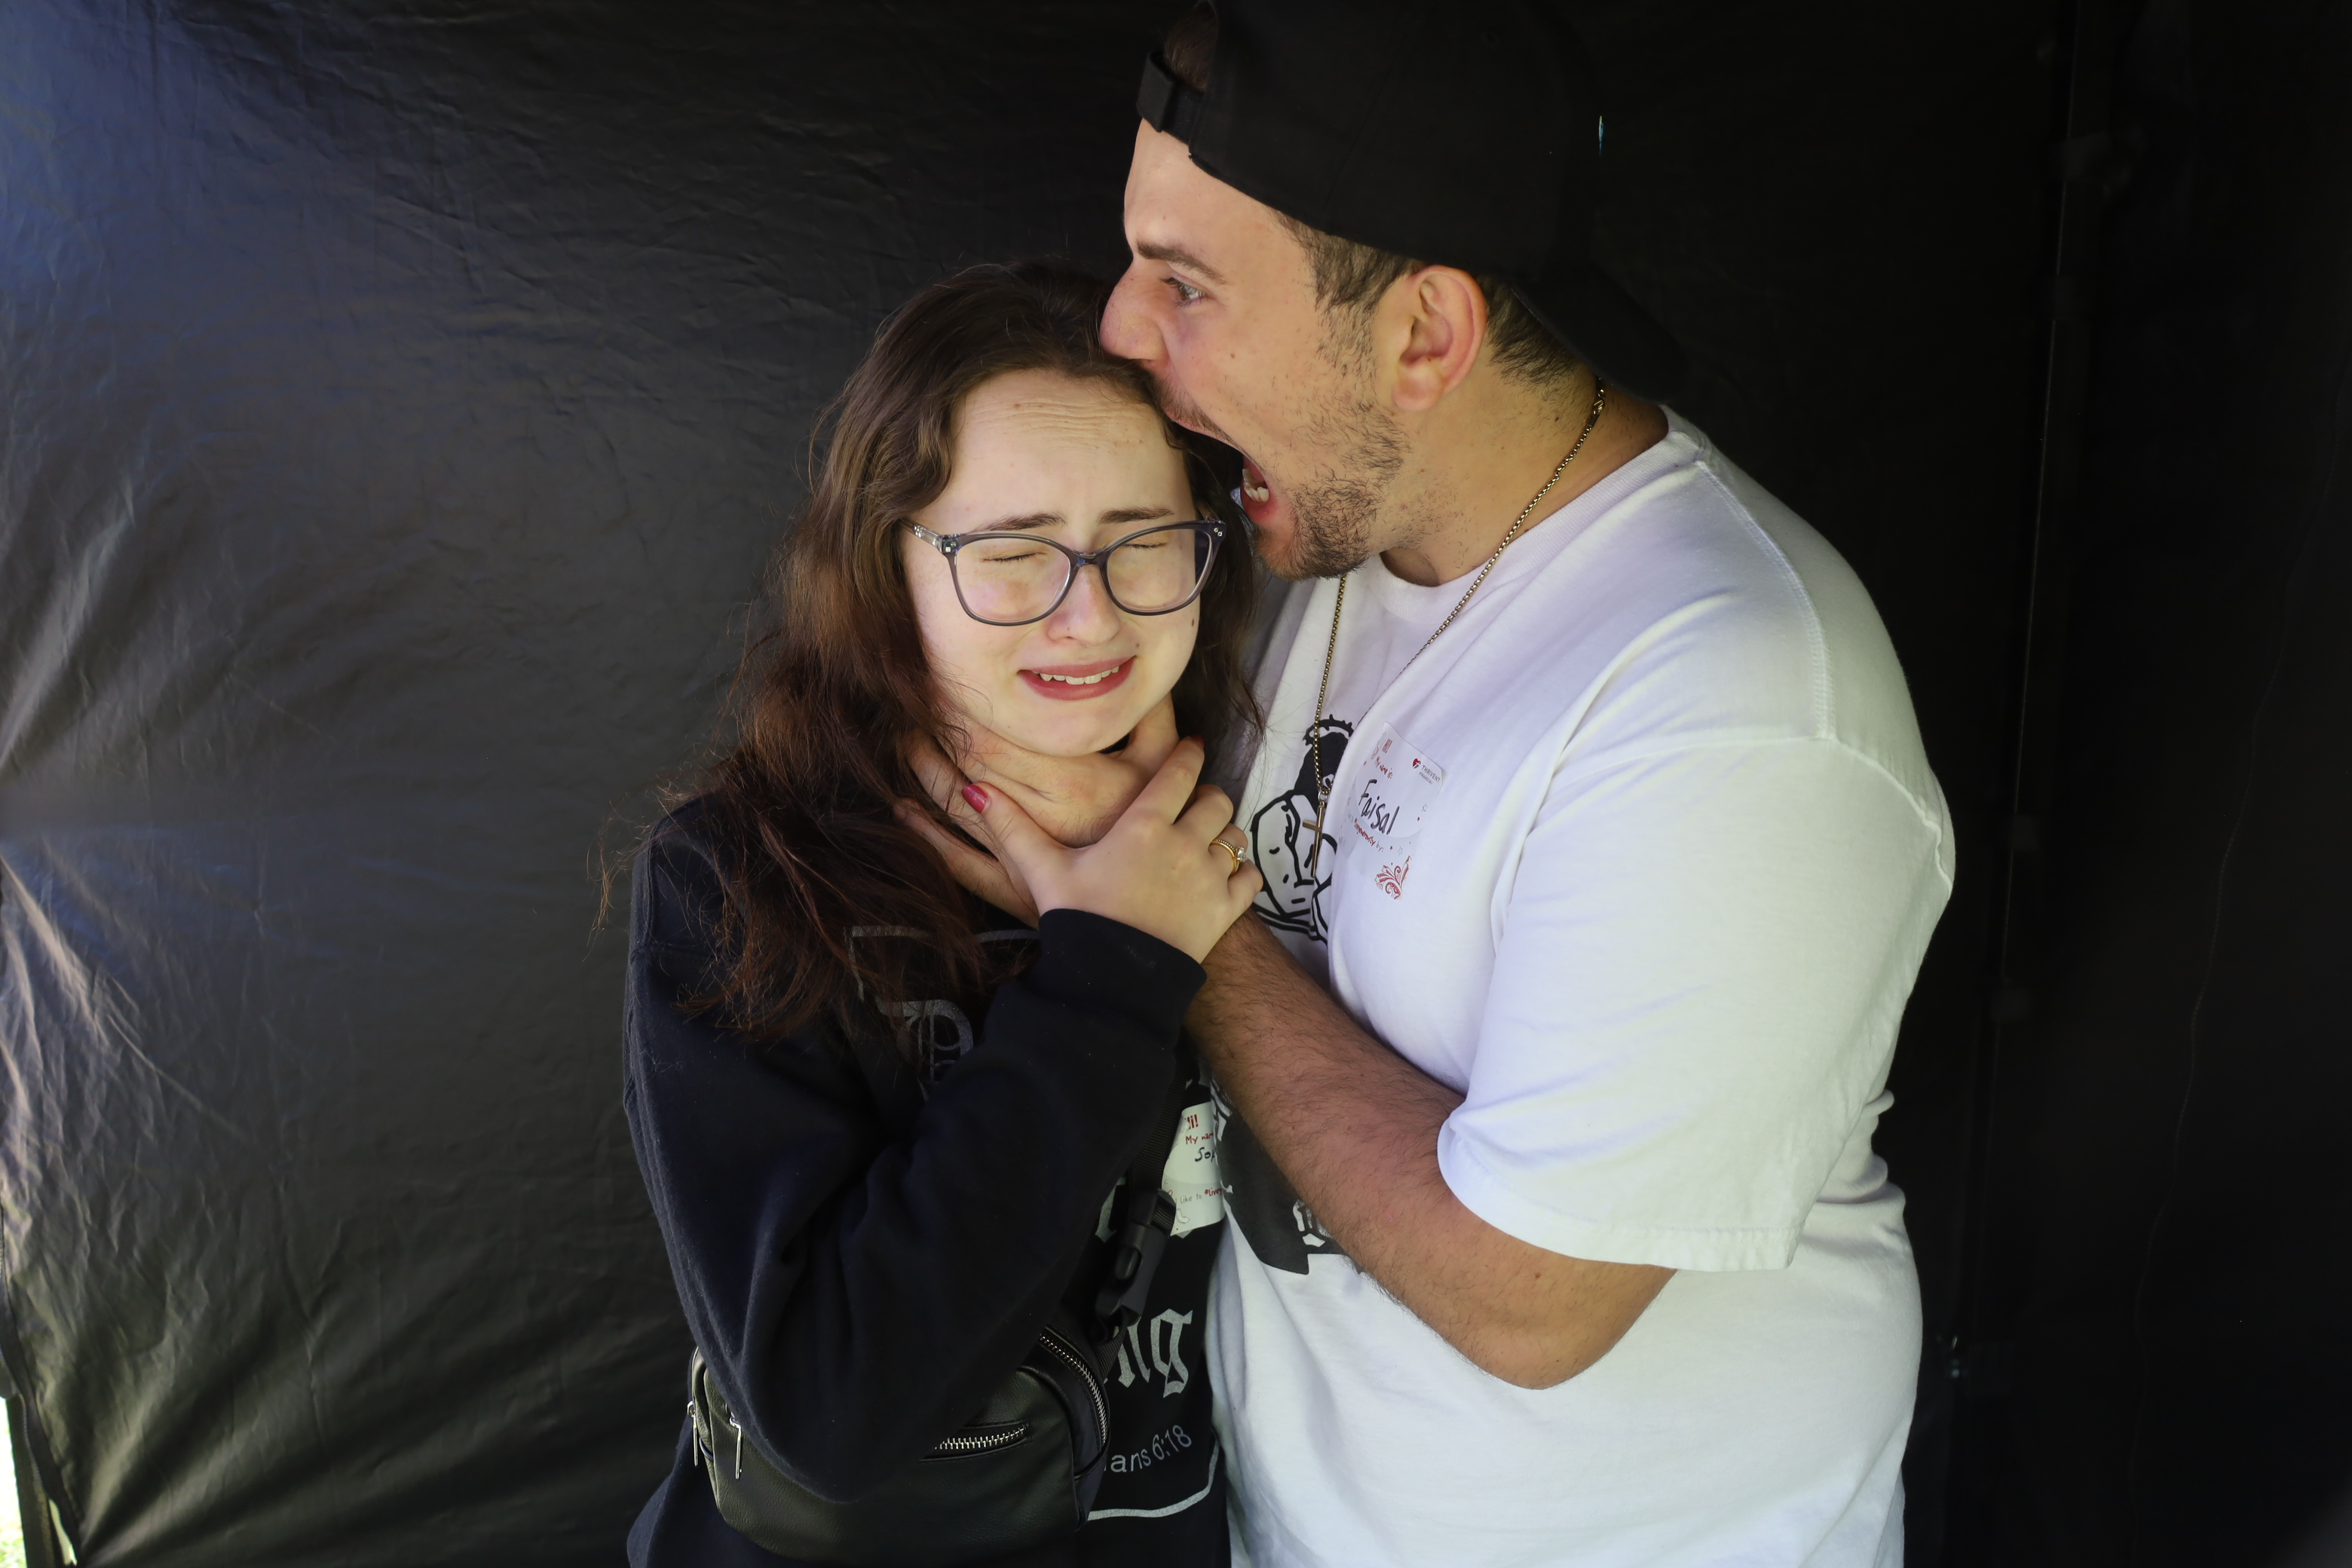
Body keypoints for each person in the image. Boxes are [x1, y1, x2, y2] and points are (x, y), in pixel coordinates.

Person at [917, 4, 1956, 1564]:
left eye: (1186, 283)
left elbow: (1530, 1297)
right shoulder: (1294, 540)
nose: (1123, 325)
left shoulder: (1735, 705)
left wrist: (1167, 928)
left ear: (1424, 337)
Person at [621, 263, 1267, 1568]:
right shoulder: (741, 878)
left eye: (1144, 540)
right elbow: (833, 1407)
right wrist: (1111, 972)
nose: (1090, 614)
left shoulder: (1251, 814)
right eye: (1014, 555)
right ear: (887, 564)